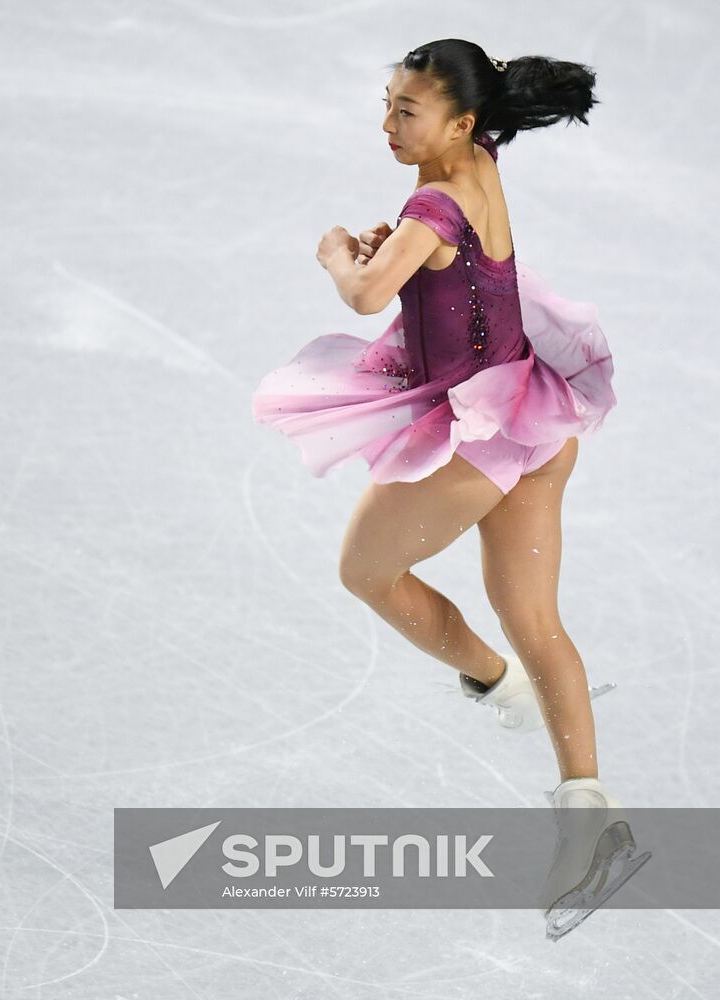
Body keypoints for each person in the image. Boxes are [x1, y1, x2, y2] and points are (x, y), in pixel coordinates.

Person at [252, 40, 648, 932]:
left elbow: (362, 296)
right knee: (536, 620)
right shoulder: (479, 161)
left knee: (365, 573)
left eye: (407, 111)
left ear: (460, 122)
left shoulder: (432, 199)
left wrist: (335, 251)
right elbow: (444, 266)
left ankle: (492, 684)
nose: (388, 124)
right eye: (388, 103)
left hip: (482, 435)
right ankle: (593, 817)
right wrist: (403, 251)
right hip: (534, 418)